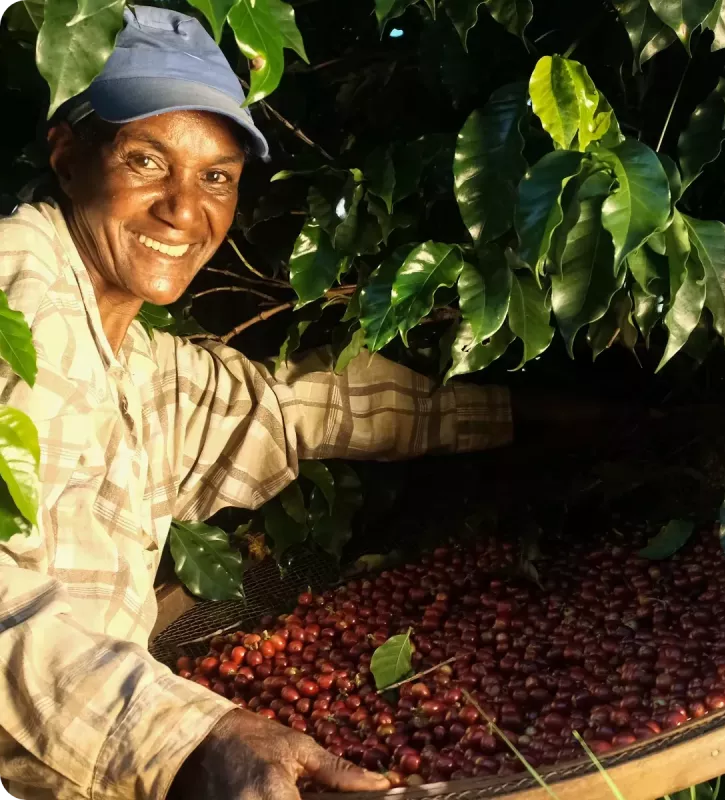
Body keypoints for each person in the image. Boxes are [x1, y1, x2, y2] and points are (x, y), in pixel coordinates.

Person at [0, 6, 512, 799]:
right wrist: (199, 736)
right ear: (67, 155)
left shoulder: (131, 360)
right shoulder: (21, 284)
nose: (183, 208)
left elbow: (294, 408)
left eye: (216, 177)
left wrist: (549, 419)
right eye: (146, 160)